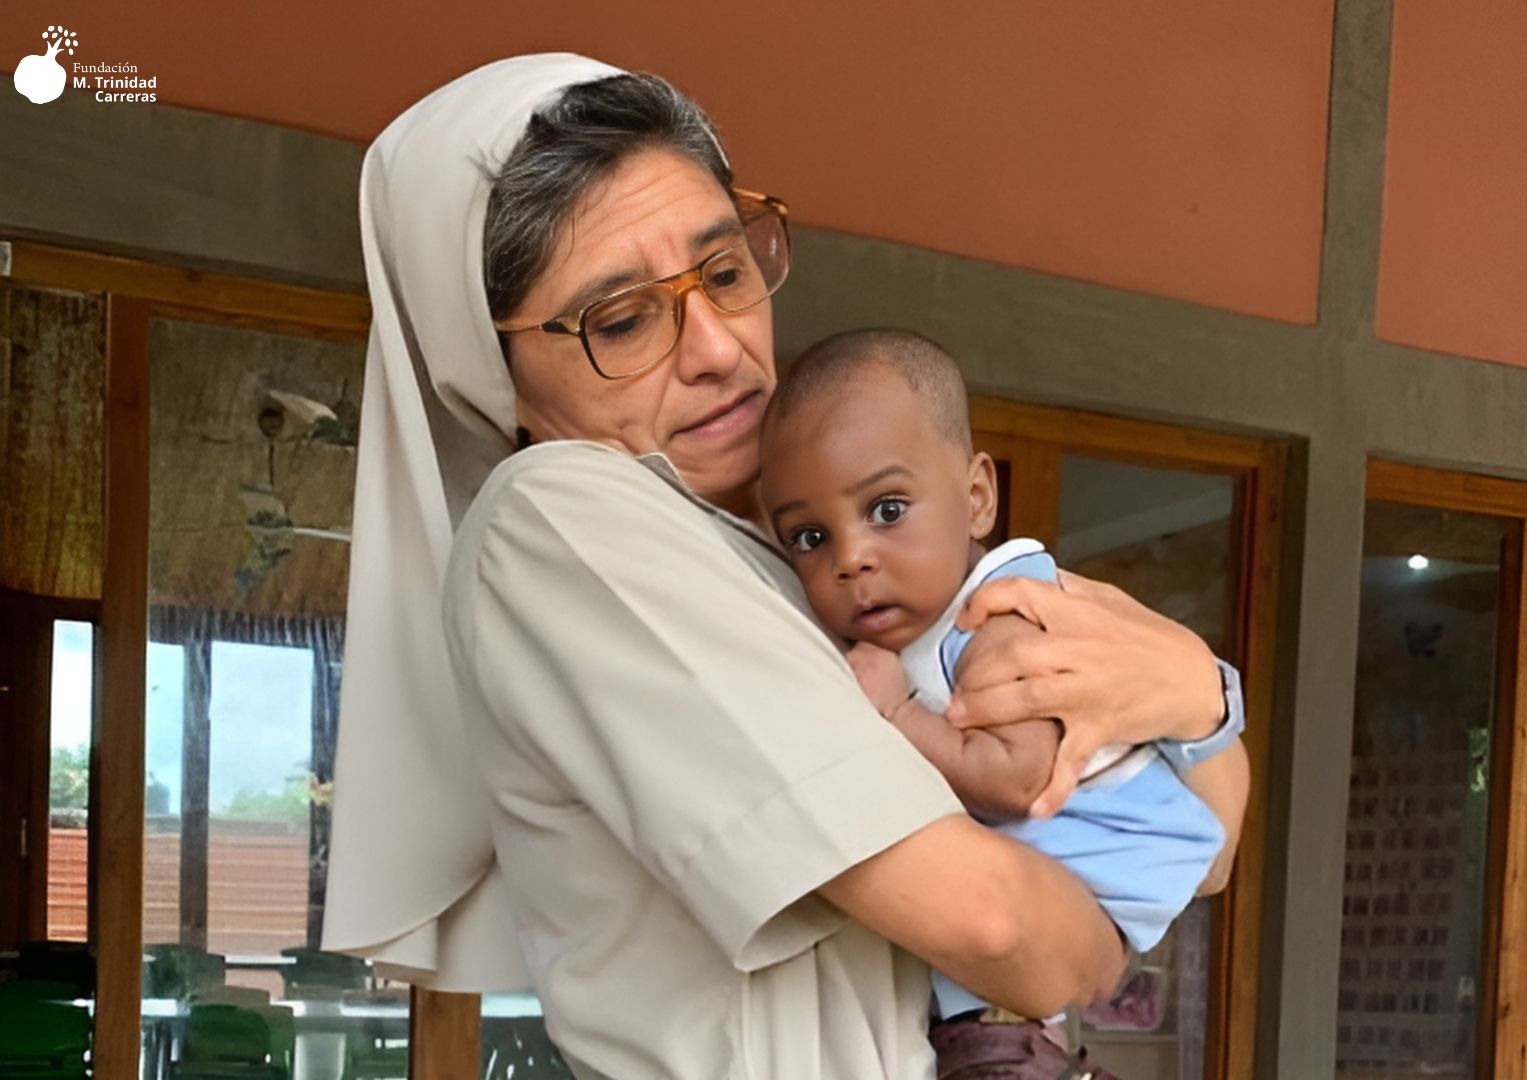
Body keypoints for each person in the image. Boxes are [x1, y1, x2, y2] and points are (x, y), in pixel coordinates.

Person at [320, 54, 1250, 1080]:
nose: (717, 347)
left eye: (724, 274)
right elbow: (998, 930)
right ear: (485, 366)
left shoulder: (809, 576)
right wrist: (1099, 940)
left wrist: (1198, 696)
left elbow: (1204, 847)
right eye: (623, 320)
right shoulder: (560, 519)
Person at [759, 328, 1237, 1066]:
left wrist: (896, 716)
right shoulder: (919, 632)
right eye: (810, 536)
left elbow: (1018, 778)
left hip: (1105, 874)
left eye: (887, 509)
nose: (851, 558)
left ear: (977, 498)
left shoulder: (1004, 618)